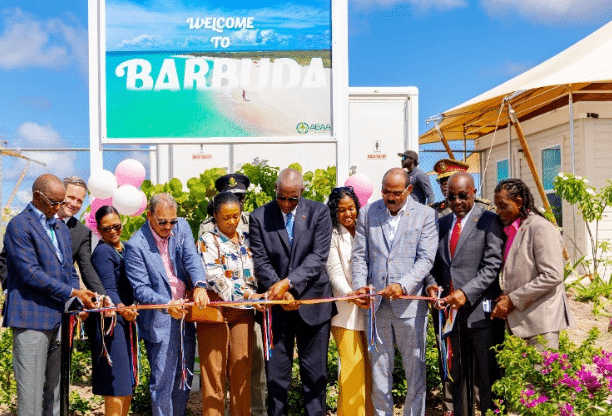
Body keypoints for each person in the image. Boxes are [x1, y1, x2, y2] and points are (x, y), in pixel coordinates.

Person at [2, 174, 97, 416]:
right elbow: (30, 274)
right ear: (37, 197)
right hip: (30, 318)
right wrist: (71, 291)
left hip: (60, 319)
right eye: (55, 203)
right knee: (31, 397)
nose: (59, 208)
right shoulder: (19, 226)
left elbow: (69, 271)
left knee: (55, 394)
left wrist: (78, 298)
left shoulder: (61, 229)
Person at [351, 167, 438, 416]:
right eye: (386, 192)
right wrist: (360, 286)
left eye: (397, 193)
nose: (390, 197)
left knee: (415, 374)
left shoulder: (425, 215)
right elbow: (359, 257)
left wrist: (403, 285)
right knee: (379, 376)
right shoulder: (368, 213)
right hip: (375, 308)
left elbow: (425, 259)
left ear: (409, 190)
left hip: (410, 309)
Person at [249, 168, 333, 416]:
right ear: (275, 189)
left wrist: (288, 283)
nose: (286, 203)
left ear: (302, 192)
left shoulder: (319, 212)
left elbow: (318, 257)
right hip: (277, 309)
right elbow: (261, 263)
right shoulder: (259, 217)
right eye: (281, 197)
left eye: (292, 198)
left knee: (315, 376)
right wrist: (281, 292)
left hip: (314, 306)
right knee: (276, 379)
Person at [426, 172, 505, 416]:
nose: (457, 202)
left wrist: (465, 293)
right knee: (457, 375)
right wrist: (431, 285)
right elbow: (433, 266)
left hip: (481, 314)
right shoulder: (441, 224)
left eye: (463, 196)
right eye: (451, 197)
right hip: (451, 316)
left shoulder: (489, 220)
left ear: (474, 192)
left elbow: (492, 265)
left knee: (487, 376)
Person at [124, 193, 209, 416]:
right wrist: (167, 303)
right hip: (159, 320)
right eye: (163, 222)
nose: (169, 226)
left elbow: (192, 258)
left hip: (184, 317)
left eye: (172, 221)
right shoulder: (136, 245)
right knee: (162, 381)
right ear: (149, 215)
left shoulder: (181, 227)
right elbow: (140, 289)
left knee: (184, 378)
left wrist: (200, 284)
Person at [198, 172, 267, 416]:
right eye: (226, 217)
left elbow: (258, 270)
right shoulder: (207, 238)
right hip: (215, 311)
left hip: (244, 314)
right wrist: (249, 295)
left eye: (236, 216)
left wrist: (259, 295)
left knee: (242, 374)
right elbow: (216, 278)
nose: (232, 221)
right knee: (213, 375)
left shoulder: (248, 237)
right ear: (214, 216)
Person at [491, 179, 574, 349]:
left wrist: (512, 299)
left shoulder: (540, 228)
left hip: (542, 324)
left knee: (539, 374)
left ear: (519, 202)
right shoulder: (514, 229)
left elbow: (553, 275)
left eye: (503, 206)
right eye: (496, 207)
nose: (498, 211)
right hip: (522, 321)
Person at [0, 176, 106, 295]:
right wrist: (8, 291)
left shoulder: (82, 232)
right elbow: (6, 257)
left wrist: (105, 298)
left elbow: (86, 269)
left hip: (59, 300)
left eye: (80, 201)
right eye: (70, 197)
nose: (74, 204)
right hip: (24, 298)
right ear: (60, 194)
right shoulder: (28, 221)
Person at [85, 205, 138, 416]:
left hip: (125, 320)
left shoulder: (124, 248)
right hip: (111, 323)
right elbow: (109, 288)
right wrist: (122, 309)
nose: (113, 231)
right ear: (99, 229)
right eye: (107, 229)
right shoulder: (102, 252)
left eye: (116, 226)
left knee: (126, 382)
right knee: (116, 383)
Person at [325, 186, 373, 416]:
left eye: (351, 208)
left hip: (372, 309)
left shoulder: (367, 230)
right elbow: (334, 273)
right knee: (353, 369)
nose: (347, 214)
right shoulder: (332, 235)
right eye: (341, 210)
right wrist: (351, 295)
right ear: (334, 212)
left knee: (372, 372)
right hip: (345, 312)